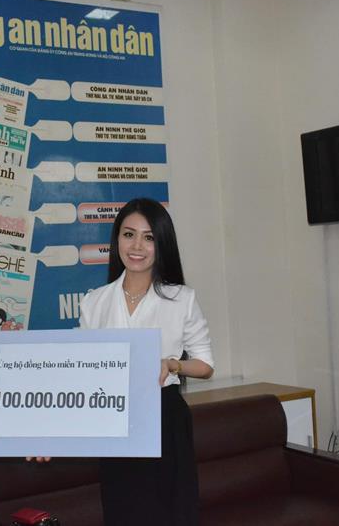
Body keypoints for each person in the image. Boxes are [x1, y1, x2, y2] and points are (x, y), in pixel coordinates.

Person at [79, 198, 214, 526]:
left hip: (164, 417)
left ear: (161, 243)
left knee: (171, 514)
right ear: (117, 240)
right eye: (129, 235)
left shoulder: (181, 298)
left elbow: (205, 365)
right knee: (123, 513)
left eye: (149, 237)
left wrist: (173, 364)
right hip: (113, 419)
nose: (137, 246)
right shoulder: (94, 301)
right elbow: (80, 367)